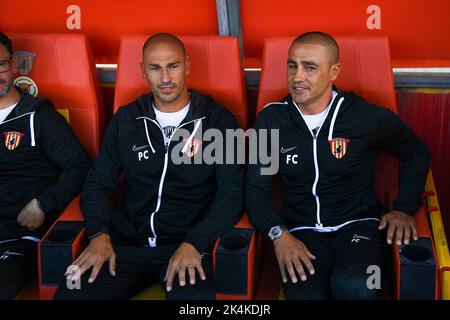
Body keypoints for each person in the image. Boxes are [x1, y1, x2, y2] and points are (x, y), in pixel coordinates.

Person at [55, 33, 244, 300]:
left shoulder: (218, 122)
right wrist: (98, 234)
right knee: (70, 293)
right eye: (155, 68)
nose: (165, 78)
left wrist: (196, 241)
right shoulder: (127, 119)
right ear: (143, 71)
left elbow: (232, 193)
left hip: (187, 245)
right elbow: (97, 183)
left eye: (173, 66)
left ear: (187, 66)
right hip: (125, 245)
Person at [246, 31, 430, 300]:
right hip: (300, 232)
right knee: (306, 295)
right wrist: (279, 236)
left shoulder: (365, 117)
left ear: (334, 71)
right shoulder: (272, 120)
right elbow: (255, 190)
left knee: (361, 286)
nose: (298, 77)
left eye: (310, 67)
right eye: (292, 65)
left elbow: (417, 151)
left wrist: (404, 208)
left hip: (361, 228)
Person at [0, 32, 91, 299]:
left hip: (19, 235)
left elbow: (83, 167)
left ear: (14, 65)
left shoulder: (38, 117)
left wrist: (43, 202)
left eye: (1, 65)